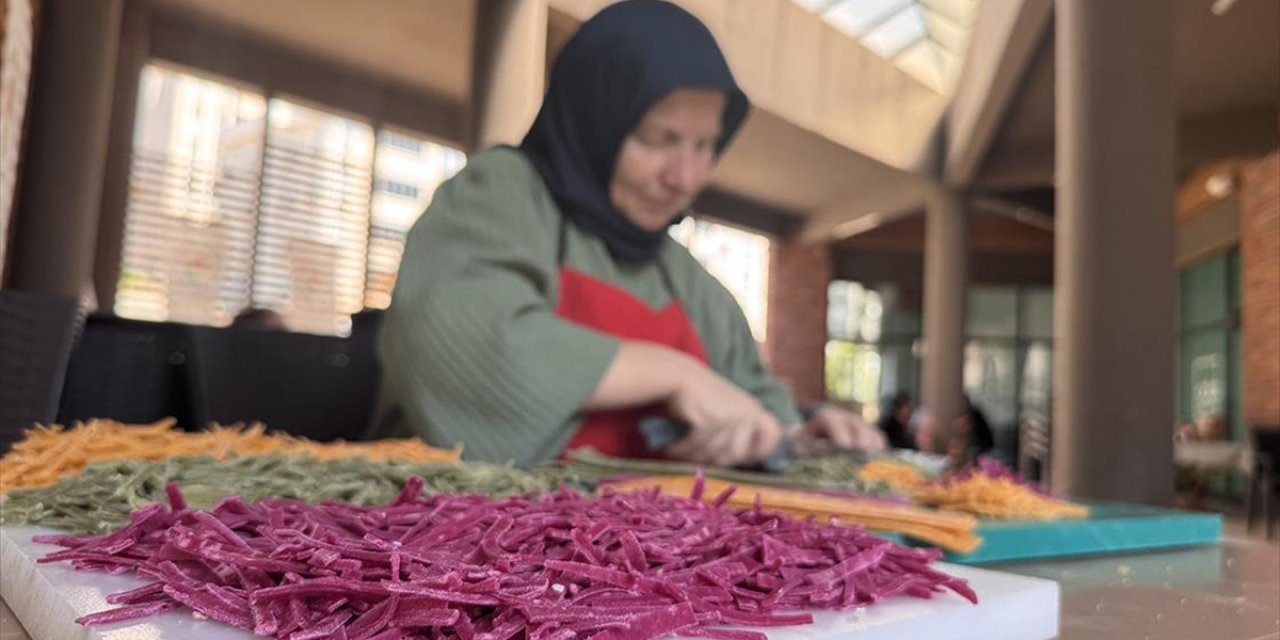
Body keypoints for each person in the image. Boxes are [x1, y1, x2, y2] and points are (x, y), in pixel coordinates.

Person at [367, 0, 878, 466]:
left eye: (705, 146)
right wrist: (672, 373)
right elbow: (458, 345)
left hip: (624, 553)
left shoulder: (682, 275)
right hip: (440, 542)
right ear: (595, 122)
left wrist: (804, 430)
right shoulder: (504, 192)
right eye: (660, 139)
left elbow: (751, 395)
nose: (684, 176)